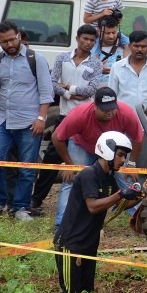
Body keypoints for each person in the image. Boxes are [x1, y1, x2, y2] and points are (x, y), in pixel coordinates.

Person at [0, 21, 54, 221]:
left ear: (19, 36)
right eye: (4, 41)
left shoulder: (36, 58)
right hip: (3, 120)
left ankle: (20, 207)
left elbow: (46, 93)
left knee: (27, 167)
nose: (9, 44)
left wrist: (40, 118)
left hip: (29, 122)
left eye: (12, 39)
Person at [53, 131, 142, 293]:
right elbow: (93, 207)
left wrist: (140, 195)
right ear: (108, 151)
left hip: (89, 244)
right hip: (71, 244)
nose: (123, 160)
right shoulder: (89, 174)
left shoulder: (108, 178)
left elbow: (119, 204)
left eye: (125, 156)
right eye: (121, 155)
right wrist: (121, 194)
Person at [30, 25, 103, 215]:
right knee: (51, 159)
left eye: (92, 40)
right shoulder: (63, 58)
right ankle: (36, 200)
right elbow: (53, 84)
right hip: (65, 116)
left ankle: (95, 201)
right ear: (78, 38)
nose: (88, 43)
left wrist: (68, 88)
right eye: (85, 39)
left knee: (93, 159)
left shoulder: (95, 63)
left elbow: (91, 90)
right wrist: (71, 93)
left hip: (87, 118)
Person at [51, 87, 143, 229]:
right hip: (83, 145)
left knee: (129, 180)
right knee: (71, 181)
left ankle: (141, 220)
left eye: (113, 108)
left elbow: (139, 137)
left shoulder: (125, 113)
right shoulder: (79, 115)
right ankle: (62, 225)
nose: (110, 113)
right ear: (95, 106)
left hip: (114, 149)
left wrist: (131, 164)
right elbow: (56, 137)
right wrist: (69, 165)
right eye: (105, 109)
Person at [108, 31, 147, 121]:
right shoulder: (117, 67)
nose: (139, 49)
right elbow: (112, 96)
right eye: (136, 46)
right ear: (130, 46)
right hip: (123, 123)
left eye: (143, 46)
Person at [92, 16, 129, 83]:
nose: (111, 36)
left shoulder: (125, 49)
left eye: (114, 32)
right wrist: (97, 70)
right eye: (107, 33)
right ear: (99, 31)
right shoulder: (91, 49)